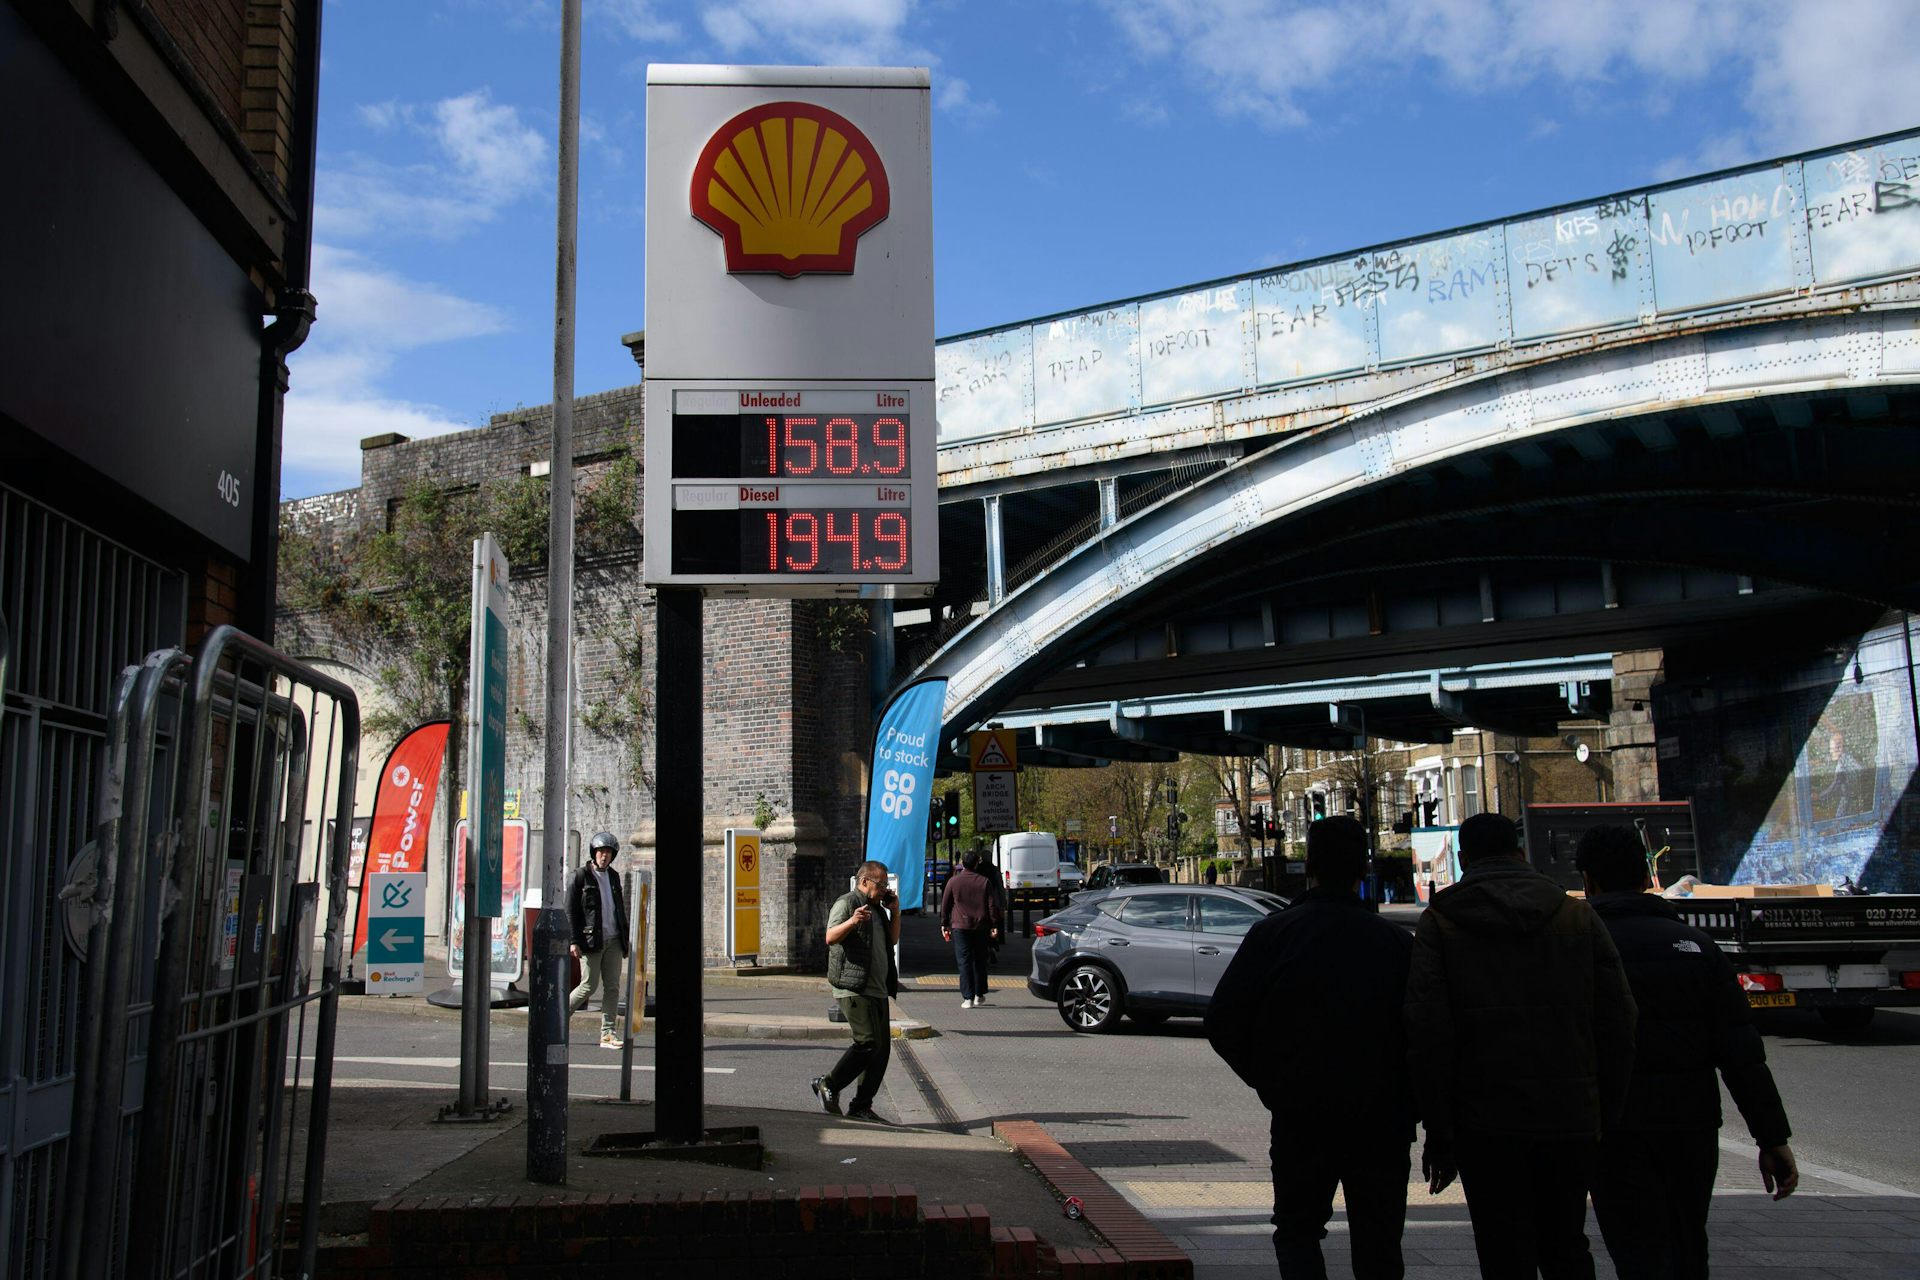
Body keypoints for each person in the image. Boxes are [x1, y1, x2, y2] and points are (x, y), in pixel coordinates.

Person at [1405, 812, 1636, 1280]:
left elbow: (1428, 1030)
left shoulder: (1442, 921)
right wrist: (1604, 1109)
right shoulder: (1575, 914)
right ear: (1521, 853)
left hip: (1483, 1119)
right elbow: (1619, 1019)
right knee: (1566, 1243)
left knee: (1501, 1246)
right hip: (1568, 1113)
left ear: (1464, 860)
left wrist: (1440, 1128)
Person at [1576, 824, 1797, 1278]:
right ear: (1645, 878)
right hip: (1690, 1126)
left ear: (1588, 882)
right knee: (1688, 1242)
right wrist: (1771, 1137)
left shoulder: (1574, 947)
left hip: (1611, 1125)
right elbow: (1741, 1054)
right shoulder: (1698, 947)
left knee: (1636, 1247)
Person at [1206, 816, 1416, 1279]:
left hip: (1303, 1114)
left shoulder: (1275, 934)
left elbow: (1223, 1020)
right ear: (1362, 870)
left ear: (1310, 868)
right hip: (1382, 1119)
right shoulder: (1398, 944)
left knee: (1298, 1232)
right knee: (1379, 1242)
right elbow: (1426, 1035)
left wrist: (1271, 1081)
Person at [812, 860, 901, 1123]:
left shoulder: (879, 910)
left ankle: (862, 1105)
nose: (884, 889)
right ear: (864, 882)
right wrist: (852, 922)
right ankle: (828, 1084)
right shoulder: (848, 903)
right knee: (867, 1043)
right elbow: (830, 937)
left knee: (881, 1050)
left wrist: (895, 912)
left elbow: (892, 940)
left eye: (885, 885)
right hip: (853, 987)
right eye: (881, 884)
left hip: (877, 988)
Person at [567, 831, 631, 1049]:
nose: (604, 856)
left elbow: (619, 909)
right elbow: (571, 911)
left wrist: (625, 938)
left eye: (609, 852)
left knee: (612, 987)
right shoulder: (580, 876)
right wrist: (574, 941)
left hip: (613, 939)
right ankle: (556, 1022)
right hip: (591, 940)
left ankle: (608, 1033)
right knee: (588, 986)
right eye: (601, 852)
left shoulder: (614, 876)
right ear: (593, 853)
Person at [939, 849, 1002, 1008]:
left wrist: (944, 924)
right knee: (980, 960)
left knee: (964, 961)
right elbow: (991, 905)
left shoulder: (954, 882)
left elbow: (945, 904)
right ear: (976, 863)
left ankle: (967, 997)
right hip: (981, 926)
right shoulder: (984, 881)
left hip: (960, 926)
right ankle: (979, 994)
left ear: (962, 864)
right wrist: (994, 924)